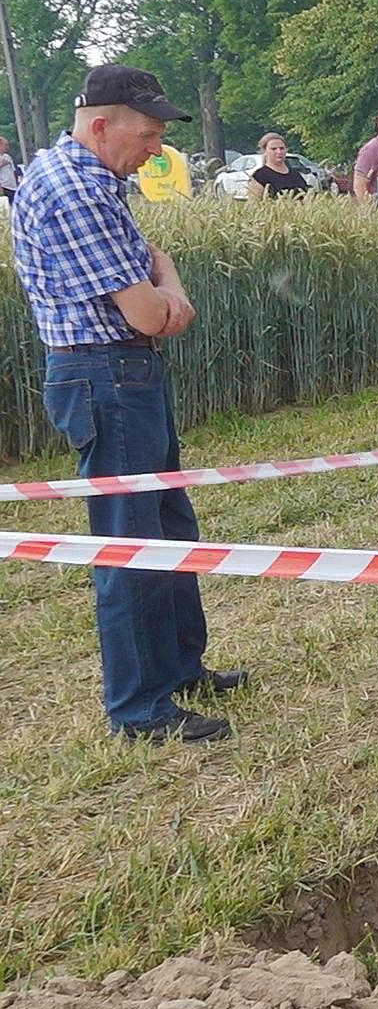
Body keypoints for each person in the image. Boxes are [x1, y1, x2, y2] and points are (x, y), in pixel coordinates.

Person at [10, 64, 248, 742]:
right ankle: (140, 708)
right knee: (130, 542)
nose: (155, 150)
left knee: (167, 526)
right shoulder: (75, 192)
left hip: (117, 373)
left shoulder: (87, 179)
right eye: (147, 136)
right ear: (100, 125)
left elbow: (152, 273)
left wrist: (160, 281)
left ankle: (179, 670)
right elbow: (151, 311)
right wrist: (170, 285)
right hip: (105, 375)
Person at [248, 132, 310, 199]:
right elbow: (254, 202)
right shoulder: (259, 177)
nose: (279, 152)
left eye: (282, 148)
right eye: (273, 149)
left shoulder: (296, 175)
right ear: (264, 151)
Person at [0, 135, 18, 201]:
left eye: (7, 145)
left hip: (13, 187)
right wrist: (1, 164)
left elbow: (14, 171)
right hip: (4, 187)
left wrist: (16, 183)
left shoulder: (7, 156)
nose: (7, 147)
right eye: (5, 145)